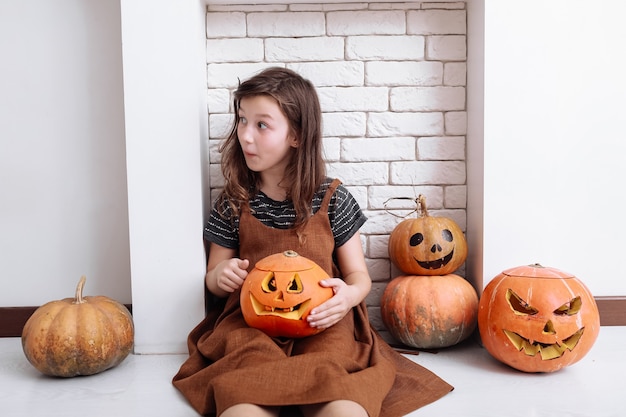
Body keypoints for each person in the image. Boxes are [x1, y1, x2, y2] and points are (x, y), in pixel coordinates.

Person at [172, 67, 453, 417]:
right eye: (242, 120)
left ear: (297, 135)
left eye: (261, 125)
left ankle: (333, 398)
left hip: (323, 319)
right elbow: (214, 275)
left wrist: (347, 297)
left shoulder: (332, 198)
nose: (245, 135)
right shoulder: (234, 200)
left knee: (333, 373)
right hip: (250, 321)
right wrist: (220, 275)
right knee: (245, 376)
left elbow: (358, 277)